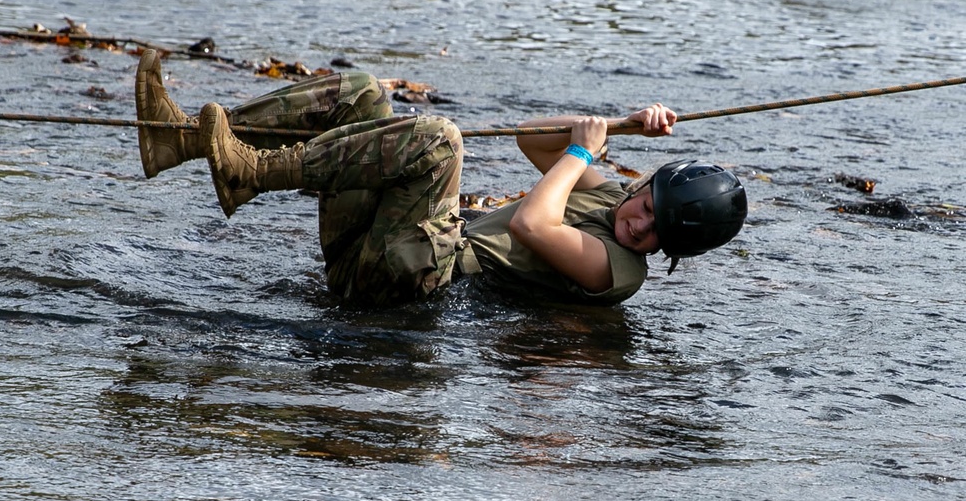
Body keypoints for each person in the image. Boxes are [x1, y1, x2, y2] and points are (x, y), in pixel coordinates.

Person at [134, 50, 747, 306]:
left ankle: (251, 173)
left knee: (439, 140)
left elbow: (537, 221)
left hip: (411, 280)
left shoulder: (619, 271)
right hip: (383, 248)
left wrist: (586, 156)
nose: (635, 222)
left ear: (662, 250)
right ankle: (184, 141)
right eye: (645, 204)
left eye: (649, 233)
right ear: (645, 186)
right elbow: (532, 138)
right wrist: (621, 125)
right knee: (361, 91)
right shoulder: (617, 195)